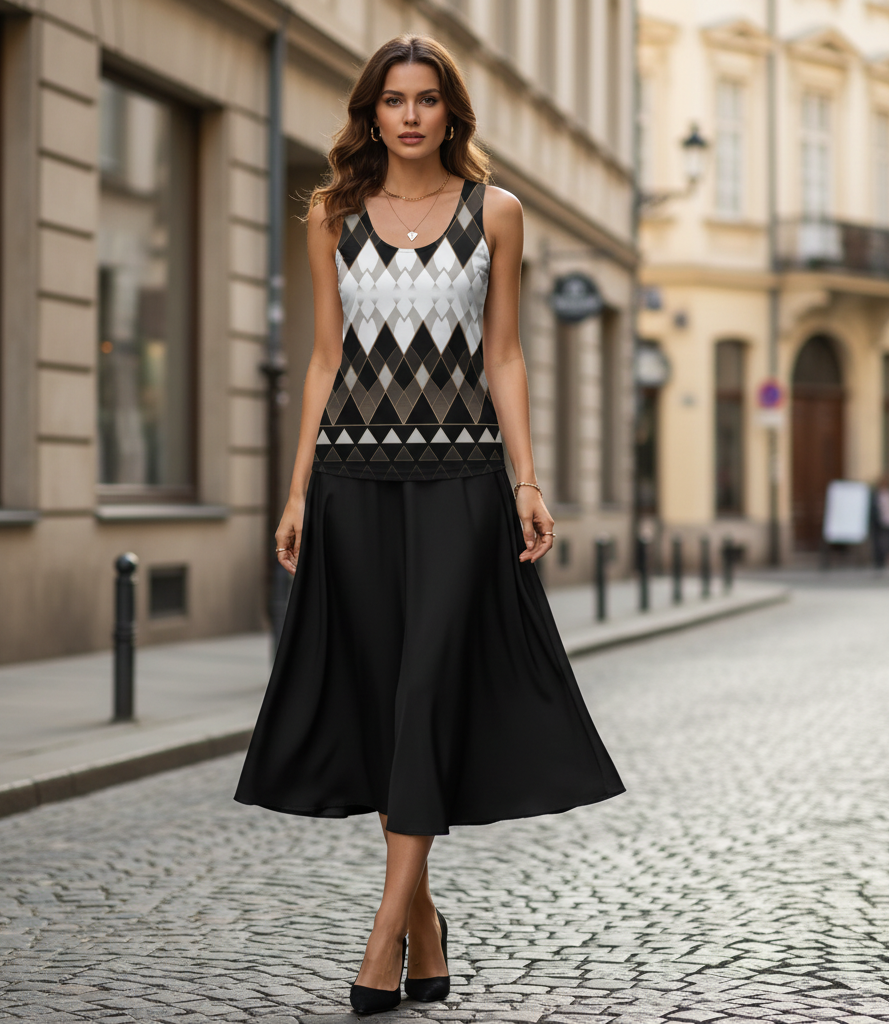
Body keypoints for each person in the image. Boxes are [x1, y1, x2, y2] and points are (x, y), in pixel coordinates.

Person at [235, 34, 624, 1015]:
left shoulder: (497, 212)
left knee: (421, 695)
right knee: (377, 694)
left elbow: (507, 356)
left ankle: (382, 937)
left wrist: (526, 481)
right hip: (351, 486)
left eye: (427, 99)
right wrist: (292, 494)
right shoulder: (331, 214)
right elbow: (324, 360)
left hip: (460, 484)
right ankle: (425, 926)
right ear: (370, 114)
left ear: (452, 112)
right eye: (392, 100)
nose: (409, 115)